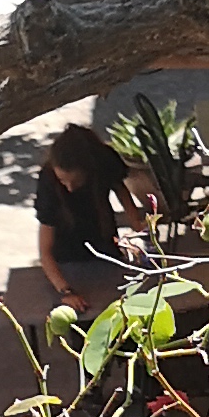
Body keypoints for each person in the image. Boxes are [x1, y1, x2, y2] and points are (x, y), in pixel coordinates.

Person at [33, 118, 143, 304]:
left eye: (75, 182)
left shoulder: (104, 160)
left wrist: (137, 225)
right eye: (63, 181)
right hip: (67, 254)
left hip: (103, 239)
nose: (69, 188)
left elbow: (120, 188)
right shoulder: (48, 182)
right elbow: (45, 252)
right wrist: (66, 291)